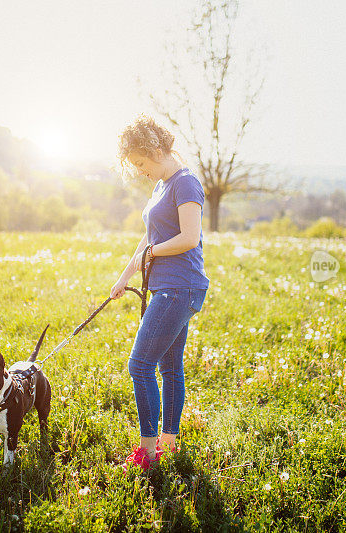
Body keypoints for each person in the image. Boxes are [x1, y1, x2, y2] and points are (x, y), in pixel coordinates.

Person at [110, 115, 210, 470]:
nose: (140, 171)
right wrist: (125, 276)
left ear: (154, 150)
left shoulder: (186, 184)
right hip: (167, 287)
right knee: (169, 366)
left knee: (139, 366)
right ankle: (169, 443)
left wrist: (151, 254)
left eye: (140, 163)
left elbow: (187, 238)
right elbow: (149, 237)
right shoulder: (161, 187)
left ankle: (148, 454)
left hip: (180, 287)